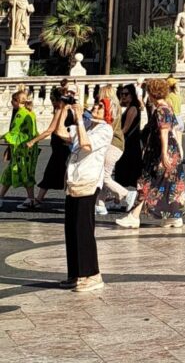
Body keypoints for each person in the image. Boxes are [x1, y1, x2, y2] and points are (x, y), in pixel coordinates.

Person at [116, 77, 185, 230]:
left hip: (161, 151)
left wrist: (163, 153)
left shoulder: (161, 109)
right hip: (170, 150)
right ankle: (174, 217)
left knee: (146, 182)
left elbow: (163, 132)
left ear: (152, 93)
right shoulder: (168, 107)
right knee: (170, 183)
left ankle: (134, 216)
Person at [59, 97, 112, 292]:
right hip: (74, 180)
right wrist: (62, 109)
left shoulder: (105, 130)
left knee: (83, 230)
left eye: (101, 106)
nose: (96, 107)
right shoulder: (88, 125)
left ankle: (93, 274)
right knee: (71, 229)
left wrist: (80, 118)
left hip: (89, 183)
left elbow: (86, 144)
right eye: (96, 104)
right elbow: (60, 133)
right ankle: (75, 274)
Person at [30, 86, 77, 208]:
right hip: (65, 145)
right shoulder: (72, 109)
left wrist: (33, 141)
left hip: (60, 147)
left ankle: (39, 199)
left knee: (53, 172)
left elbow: (51, 130)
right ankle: (41, 199)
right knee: (63, 173)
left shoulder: (61, 110)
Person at [95, 88, 135, 216]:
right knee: (103, 173)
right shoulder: (116, 105)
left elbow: (106, 125)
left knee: (104, 175)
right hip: (116, 144)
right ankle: (100, 204)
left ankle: (126, 194)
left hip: (112, 144)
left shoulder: (109, 106)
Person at [0, 92, 39, 208]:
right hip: (28, 149)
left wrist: (3, 138)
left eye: (13, 100)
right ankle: (29, 199)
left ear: (17, 101)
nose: (11, 103)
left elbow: (14, 132)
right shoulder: (30, 112)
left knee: (21, 172)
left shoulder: (20, 114)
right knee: (18, 172)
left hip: (22, 149)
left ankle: (30, 199)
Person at [114, 84, 144, 187]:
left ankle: (126, 196)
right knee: (128, 173)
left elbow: (125, 129)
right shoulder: (129, 108)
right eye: (122, 94)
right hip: (130, 143)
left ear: (132, 95)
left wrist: (114, 137)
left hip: (130, 144)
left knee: (127, 172)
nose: (123, 96)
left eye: (126, 94)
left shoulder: (132, 109)